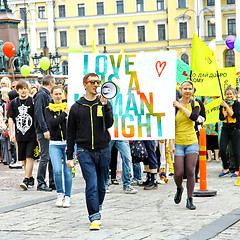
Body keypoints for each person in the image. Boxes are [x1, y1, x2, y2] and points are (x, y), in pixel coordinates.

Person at [66, 73, 113, 231]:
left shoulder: (104, 103)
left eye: (98, 82)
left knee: (102, 185)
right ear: (85, 85)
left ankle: (96, 206)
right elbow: (70, 133)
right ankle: (94, 216)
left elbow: (110, 123)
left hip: (104, 150)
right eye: (93, 82)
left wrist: (105, 106)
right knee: (91, 184)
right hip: (84, 151)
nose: (96, 84)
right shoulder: (76, 107)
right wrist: (69, 155)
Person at [170, 80, 199, 210]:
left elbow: (193, 117)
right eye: (185, 89)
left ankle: (190, 199)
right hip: (178, 142)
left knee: (190, 170)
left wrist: (181, 107)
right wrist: (171, 143)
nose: (187, 91)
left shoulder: (195, 104)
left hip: (191, 141)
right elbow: (169, 126)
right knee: (178, 172)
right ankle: (179, 188)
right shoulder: (172, 105)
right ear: (181, 90)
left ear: (192, 91)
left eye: (189, 89)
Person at [7, 80, 38, 190]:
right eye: (21, 89)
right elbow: (11, 119)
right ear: (17, 90)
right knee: (23, 158)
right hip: (20, 134)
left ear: (28, 89)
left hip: (32, 134)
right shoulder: (14, 103)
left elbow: (36, 117)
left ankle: (25, 178)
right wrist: (12, 133)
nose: (23, 91)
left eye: (25, 88)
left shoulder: (32, 101)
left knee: (30, 156)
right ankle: (30, 177)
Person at [45, 85, 72, 207]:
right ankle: (59, 193)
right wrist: (64, 114)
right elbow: (52, 123)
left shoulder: (69, 107)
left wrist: (71, 142)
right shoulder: (48, 109)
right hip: (55, 143)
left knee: (67, 171)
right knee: (56, 170)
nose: (58, 96)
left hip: (68, 143)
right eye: (55, 94)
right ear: (51, 95)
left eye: (60, 94)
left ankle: (67, 196)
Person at [34, 75, 55, 191]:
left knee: (50, 157)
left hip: (48, 129)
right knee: (45, 156)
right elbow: (38, 113)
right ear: (51, 83)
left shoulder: (44, 94)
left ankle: (52, 181)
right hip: (44, 130)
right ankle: (41, 182)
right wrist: (44, 129)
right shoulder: (41, 95)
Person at [219, 85, 240, 178]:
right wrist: (223, 115)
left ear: (234, 95)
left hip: (234, 129)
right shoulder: (222, 105)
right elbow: (220, 117)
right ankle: (226, 168)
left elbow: (234, 115)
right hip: (225, 128)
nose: (229, 96)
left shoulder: (236, 104)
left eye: (230, 94)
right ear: (225, 95)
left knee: (236, 151)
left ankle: (236, 170)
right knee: (222, 149)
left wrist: (226, 106)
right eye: (227, 94)